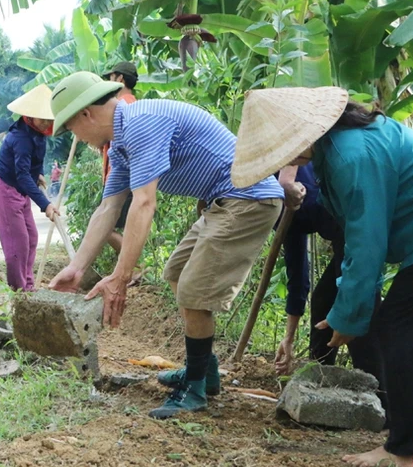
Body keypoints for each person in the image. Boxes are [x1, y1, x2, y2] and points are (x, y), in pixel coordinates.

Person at [231, 86, 413, 467]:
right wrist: (348, 311)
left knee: (400, 331)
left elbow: (366, 243)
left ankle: (409, 450)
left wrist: (350, 317)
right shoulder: (338, 146)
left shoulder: (350, 155)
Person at [47, 72, 284, 419]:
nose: (77, 138)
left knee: (193, 291)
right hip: (223, 201)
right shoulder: (123, 140)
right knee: (176, 273)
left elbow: (144, 204)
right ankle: (204, 369)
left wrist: (120, 277)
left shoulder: (142, 124)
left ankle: (196, 389)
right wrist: (77, 268)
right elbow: (109, 207)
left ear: (86, 115)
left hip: (248, 199)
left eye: (71, 129)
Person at [273, 163, 383, 384]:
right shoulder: (279, 211)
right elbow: (298, 274)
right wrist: (289, 338)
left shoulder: (303, 191)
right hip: (345, 231)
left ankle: (380, 387)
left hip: (359, 225)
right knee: (324, 299)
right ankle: (319, 377)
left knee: (354, 305)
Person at [0, 84, 59, 292]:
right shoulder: (20, 137)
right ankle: (19, 292)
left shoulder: (39, 133)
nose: (46, 122)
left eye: (49, 118)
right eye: (42, 118)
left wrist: (36, 173)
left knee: (31, 238)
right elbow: (21, 175)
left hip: (20, 190)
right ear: (29, 115)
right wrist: (45, 204)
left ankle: (27, 286)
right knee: (17, 245)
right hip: (5, 189)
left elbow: (29, 165)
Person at [100, 62, 138, 255]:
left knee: (105, 227)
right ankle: (134, 265)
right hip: (119, 176)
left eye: (111, 77)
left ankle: (135, 265)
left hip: (123, 177)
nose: (108, 82)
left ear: (120, 79)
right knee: (110, 225)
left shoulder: (124, 106)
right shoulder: (126, 105)